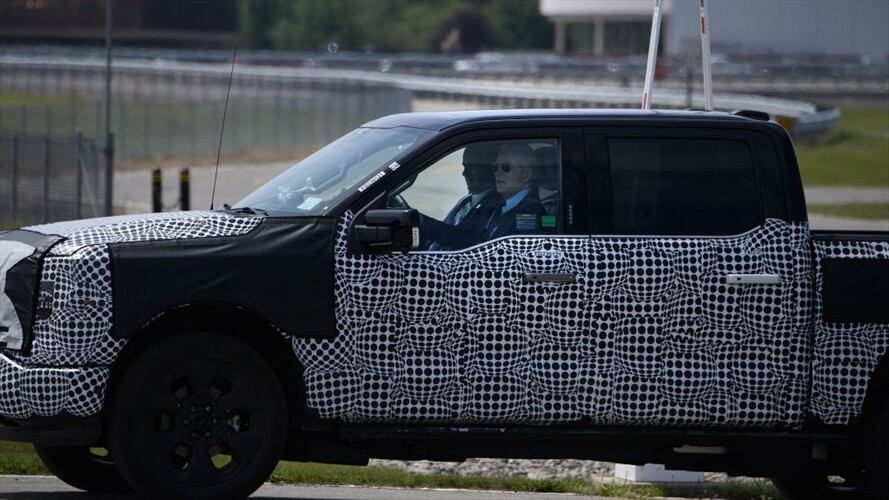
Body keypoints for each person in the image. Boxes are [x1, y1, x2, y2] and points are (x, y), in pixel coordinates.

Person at [420, 143, 503, 250]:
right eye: (465, 166)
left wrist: (420, 221)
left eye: (472, 167)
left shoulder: (496, 205)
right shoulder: (466, 201)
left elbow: (465, 238)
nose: (465, 173)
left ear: (491, 168)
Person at [483, 142, 547, 239]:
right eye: (495, 167)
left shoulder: (530, 216)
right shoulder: (498, 205)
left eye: (506, 167)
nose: (497, 173)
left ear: (525, 175)